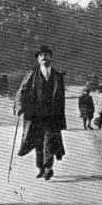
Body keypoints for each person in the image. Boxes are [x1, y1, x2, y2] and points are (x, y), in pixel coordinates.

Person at [14, 45, 67, 180]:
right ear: (38, 59)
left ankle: (48, 167)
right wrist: (19, 107)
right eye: (41, 55)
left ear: (51, 57)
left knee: (49, 141)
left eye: (47, 55)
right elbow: (21, 91)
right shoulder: (31, 74)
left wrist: (60, 117)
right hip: (35, 115)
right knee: (38, 142)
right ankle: (41, 167)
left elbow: (61, 99)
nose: (44, 57)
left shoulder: (57, 76)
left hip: (52, 116)